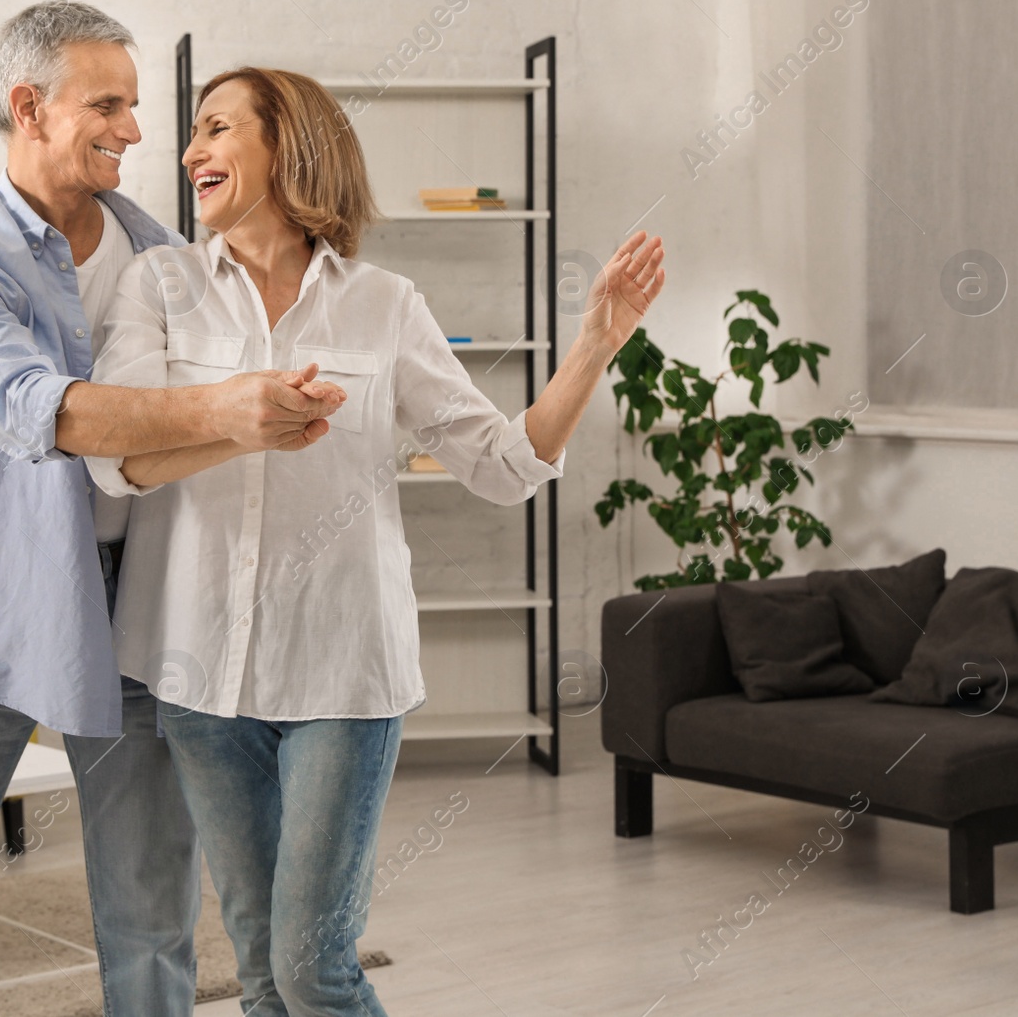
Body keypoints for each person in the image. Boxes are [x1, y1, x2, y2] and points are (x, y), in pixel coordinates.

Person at [88, 66, 666, 1016]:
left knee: (314, 967)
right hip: (198, 672)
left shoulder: (383, 303)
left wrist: (594, 344)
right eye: (192, 133)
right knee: (264, 970)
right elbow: (119, 460)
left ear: (288, 146)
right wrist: (240, 421)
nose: (188, 150)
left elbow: (501, 464)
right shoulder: (161, 284)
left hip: (343, 672)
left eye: (217, 128)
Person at [0, 9, 345, 1017]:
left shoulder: (163, 257)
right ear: (29, 107)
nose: (136, 129)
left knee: (153, 915)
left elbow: (195, 440)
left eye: (136, 105)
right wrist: (225, 406)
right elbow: (44, 411)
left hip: (141, 610)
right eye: (106, 104)